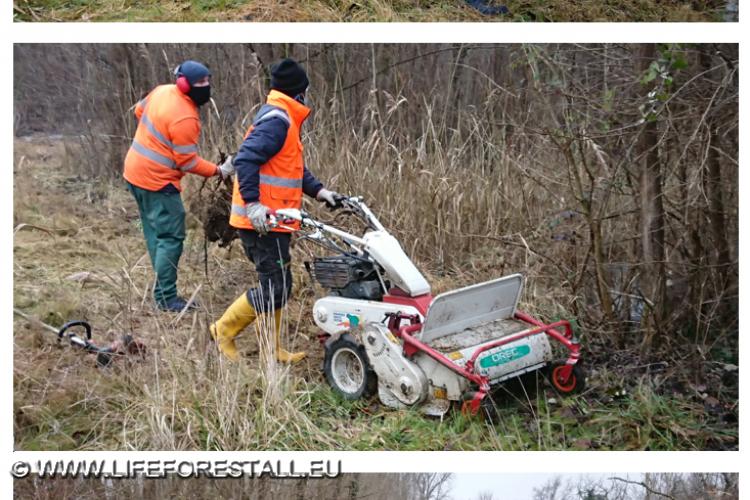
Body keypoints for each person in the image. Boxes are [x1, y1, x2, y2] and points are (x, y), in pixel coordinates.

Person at [210, 58, 339, 363]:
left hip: (275, 221)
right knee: (276, 288)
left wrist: (321, 192)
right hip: (261, 221)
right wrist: (254, 205)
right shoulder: (278, 121)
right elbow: (246, 159)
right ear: (299, 93)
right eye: (306, 91)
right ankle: (223, 331)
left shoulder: (282, 119)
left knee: (277, 285)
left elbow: (291, 169)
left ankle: (272, 348)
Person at [123, 60, 235, 312]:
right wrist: (220, 170)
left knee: (155, 230)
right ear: (184, 84)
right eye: (200, 83)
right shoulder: (185, 117)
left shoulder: (161, 91)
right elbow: (187, 162)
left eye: (208, 82)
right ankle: (166, 297)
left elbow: (138, 112)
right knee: (171, 236)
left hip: (133, 172)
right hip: (157, 182)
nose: (206, 87)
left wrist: (155, 139)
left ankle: (161, 280)